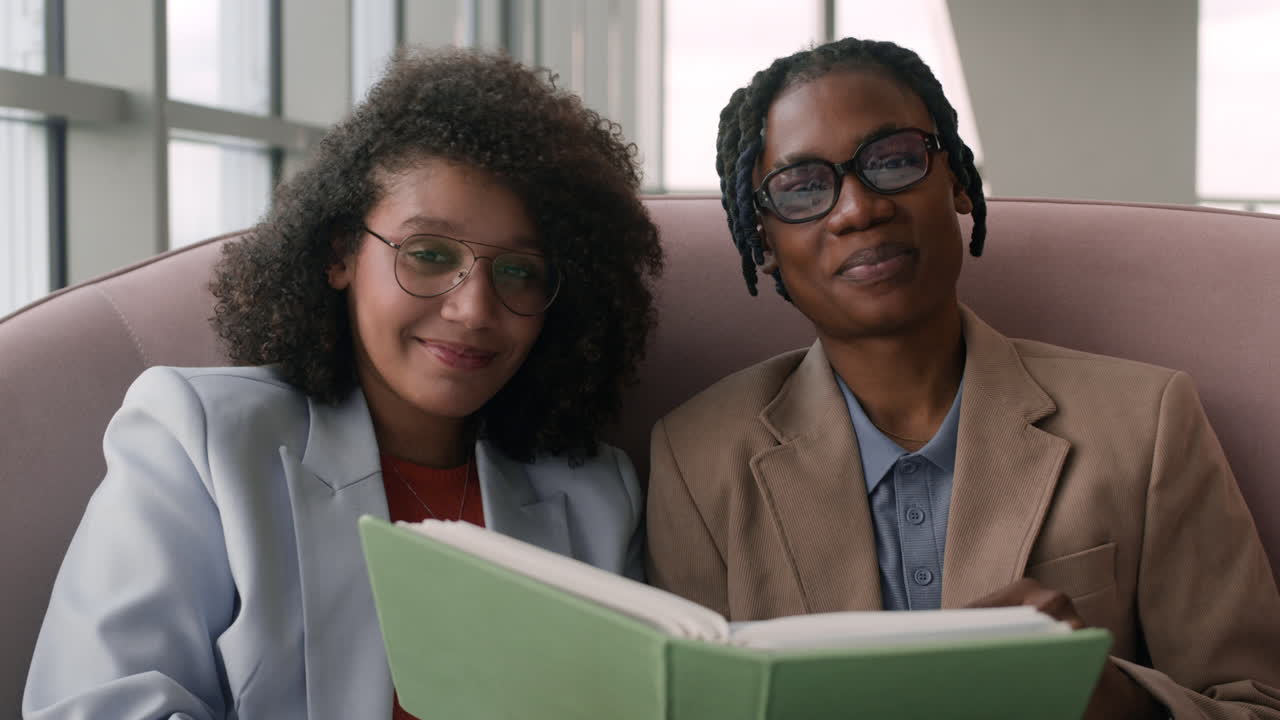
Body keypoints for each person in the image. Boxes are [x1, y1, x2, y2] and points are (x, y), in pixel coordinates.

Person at [646, 36, 1280, 719]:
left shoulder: (1145, 422)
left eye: (893, 160)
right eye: (802, 187)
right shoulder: (697, 457)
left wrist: (1115, 699)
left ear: (953, 181)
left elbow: (1257, 704)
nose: (858, 209)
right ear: (763, 242)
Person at [24, 48, 662, 720]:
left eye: (520, 271)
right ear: (340, 255)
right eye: (429, 254)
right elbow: (97, 707)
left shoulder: (598, 495)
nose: (473, 309)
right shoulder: (200, 442)